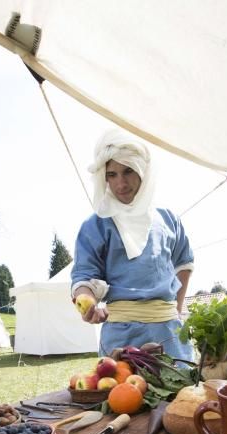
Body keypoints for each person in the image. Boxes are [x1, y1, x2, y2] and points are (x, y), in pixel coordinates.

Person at [71, 128, 194, 361]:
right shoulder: (96, 225)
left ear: (143, 170)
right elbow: (83, 277)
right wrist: (85, 301)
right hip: (121, 336)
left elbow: (185, 263)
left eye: (128, 171)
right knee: (121, 395)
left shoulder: (168, 219)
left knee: (181, 395)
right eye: (112, 174)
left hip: (169, 334)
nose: (121, 183)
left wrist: (175, 310)